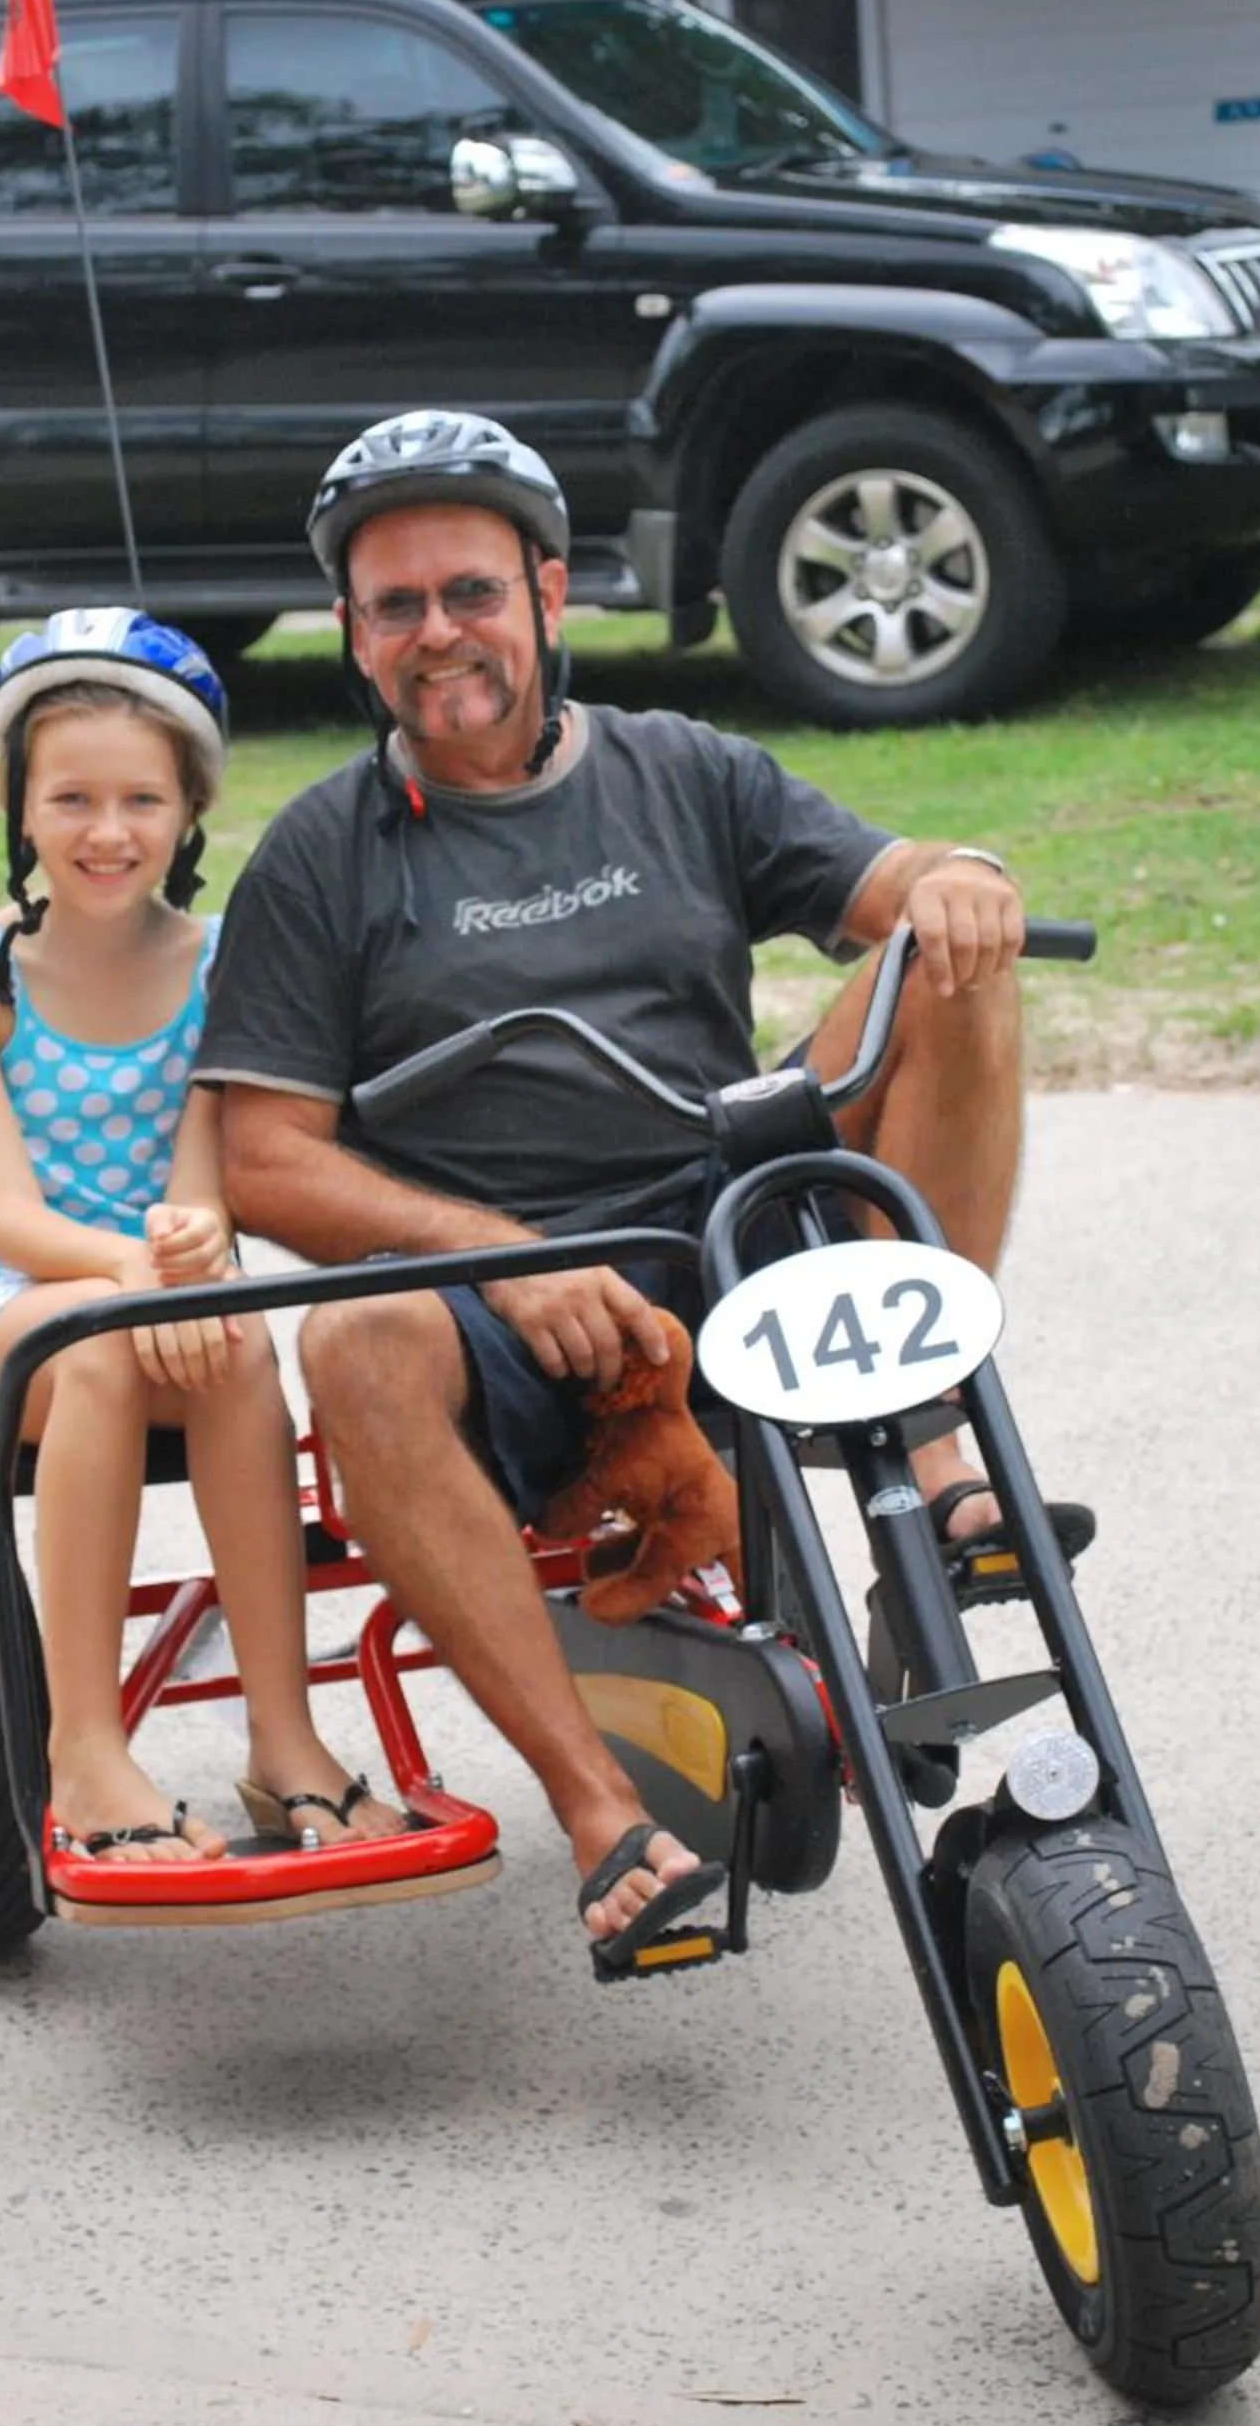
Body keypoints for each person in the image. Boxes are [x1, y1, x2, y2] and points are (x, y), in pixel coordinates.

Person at [192, 413, 1085, 1968]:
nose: (437, 636)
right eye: (394, 608)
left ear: (547, 592)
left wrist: (962, 875)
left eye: (468, 592)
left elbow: (897, 880)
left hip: (732, 1232)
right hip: (502, 1323)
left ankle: (931, 1442)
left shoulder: (685, 769)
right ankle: (604, 1813)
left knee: (954, 968)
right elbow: (263, 1159)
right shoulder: (321, 855)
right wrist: (500, 1259)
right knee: (347, 1343)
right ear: (351, 634)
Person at [0, 608, 405, 1866]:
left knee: (242, 1357)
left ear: (190, 809)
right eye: (72, 800)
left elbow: (202, 1184)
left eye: (142, 802)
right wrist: (131, 1274)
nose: (108, 834)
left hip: (152, 1287)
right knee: (104, 1347)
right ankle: (85, 1750)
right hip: (3, 1302)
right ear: (17, 804)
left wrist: (184, 1245)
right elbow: (2, 1214)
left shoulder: (225, 962)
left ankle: (284, 1735)